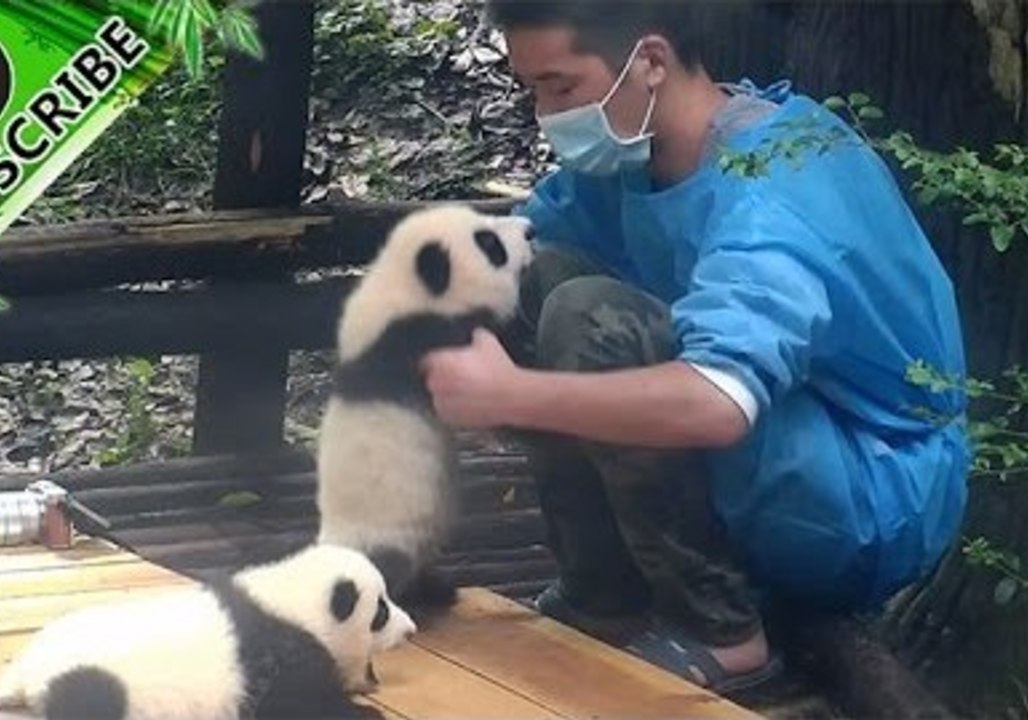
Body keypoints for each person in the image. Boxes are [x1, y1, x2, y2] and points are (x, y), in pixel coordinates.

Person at [420, 0, 970, 694]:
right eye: (533, 91)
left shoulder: (774, 193)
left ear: (649, 61)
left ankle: (723, 632)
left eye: (560, 87)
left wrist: (508, 394)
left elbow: (719, 403)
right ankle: (604, 595)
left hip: (865, 496)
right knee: (528, 279)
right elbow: (519, 248)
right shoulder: (631, 153)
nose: (545, 115)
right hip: (776, 442)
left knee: (593, 319)